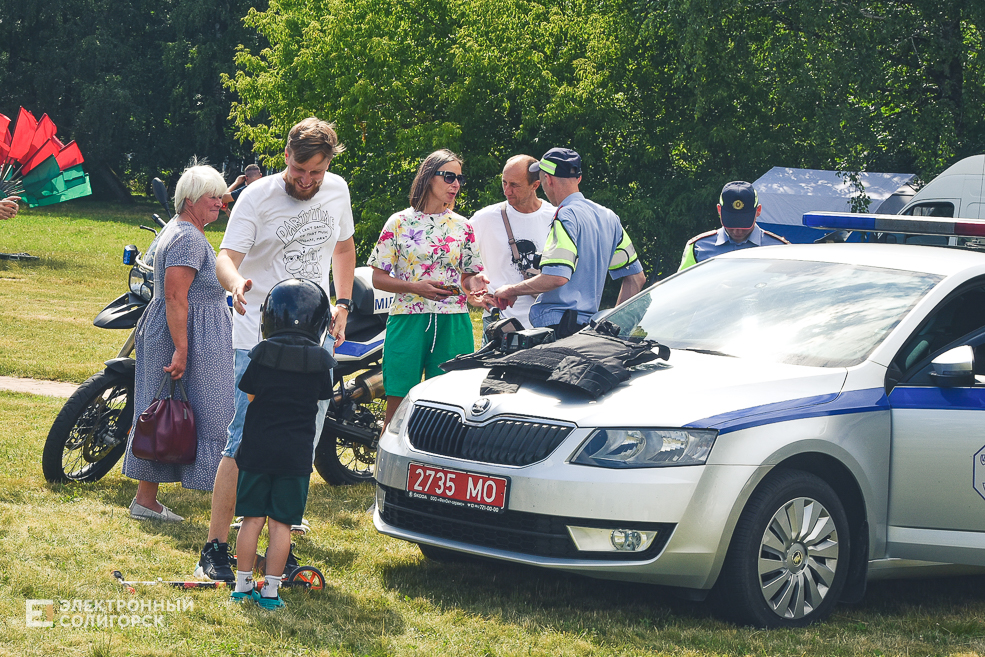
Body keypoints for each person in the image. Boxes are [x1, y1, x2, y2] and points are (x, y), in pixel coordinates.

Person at [198, 117, 355, 582]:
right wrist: (235, 284)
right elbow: (226, 257)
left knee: (299, 441)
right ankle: (216, 548)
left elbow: (344, 250)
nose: (306, 181)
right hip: (257, 338)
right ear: (286, 155)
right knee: (243, 440)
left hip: (315, 340)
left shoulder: (338, 190)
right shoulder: (257, 195)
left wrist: (342, 302)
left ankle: (274, 558)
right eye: (299, 170)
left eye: (316, 174)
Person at [122, 162, 234, 522]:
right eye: (212, 197)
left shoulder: (181, 228)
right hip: (187, 333)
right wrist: (182, 348)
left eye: (220, 196)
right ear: (190, 200)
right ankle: (229, 501)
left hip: (187, 330)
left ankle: (146, 501)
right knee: (214, 415)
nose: (220, 203)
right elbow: (175, 296)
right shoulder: (187, 237)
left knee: (163, 411)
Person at [230, 279, 335, 610]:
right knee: (281, 526)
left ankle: (242, 586)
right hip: (295, 456)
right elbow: (320, 399)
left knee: (251, 520)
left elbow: (250, 394)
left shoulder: (260, 354)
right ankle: (271, 592)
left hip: (257, 451)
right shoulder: (321, 362)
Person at [367, 149, 490, 427]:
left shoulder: (463, 226)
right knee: (398, 406)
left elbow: (469, 276)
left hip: (453, 321)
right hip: (408, 320)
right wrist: (415, 287)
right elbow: (377, 278)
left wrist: (476, 284)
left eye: (459, 178)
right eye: (449, 177)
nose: (455, 184)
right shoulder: (398, 222)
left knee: (449, 406)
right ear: (427, 177)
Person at [493, 148, 646, 338]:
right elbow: (636, 278)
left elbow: (556, 277)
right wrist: (613, 326)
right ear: (578, 179)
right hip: (589, 330)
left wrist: (511, 289)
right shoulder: (608, 217)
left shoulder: (565, 216)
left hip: (559, 328)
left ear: (548, 180)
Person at [469, 155, 556, 337]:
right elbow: (458, 261)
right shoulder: (484, 219)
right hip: (499, 323)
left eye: (515, 185)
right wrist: (470, 294)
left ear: (535, 185)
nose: (507, 191)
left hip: (545, 324)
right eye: (504, 183)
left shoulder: (556, 217)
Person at [678, 180, 788, 271]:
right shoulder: (698, 248)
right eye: (731, 223)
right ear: (719, 210)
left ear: (758, 211)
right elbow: (680, 287)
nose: (737, 231)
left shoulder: (780, 249)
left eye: (744, 224)